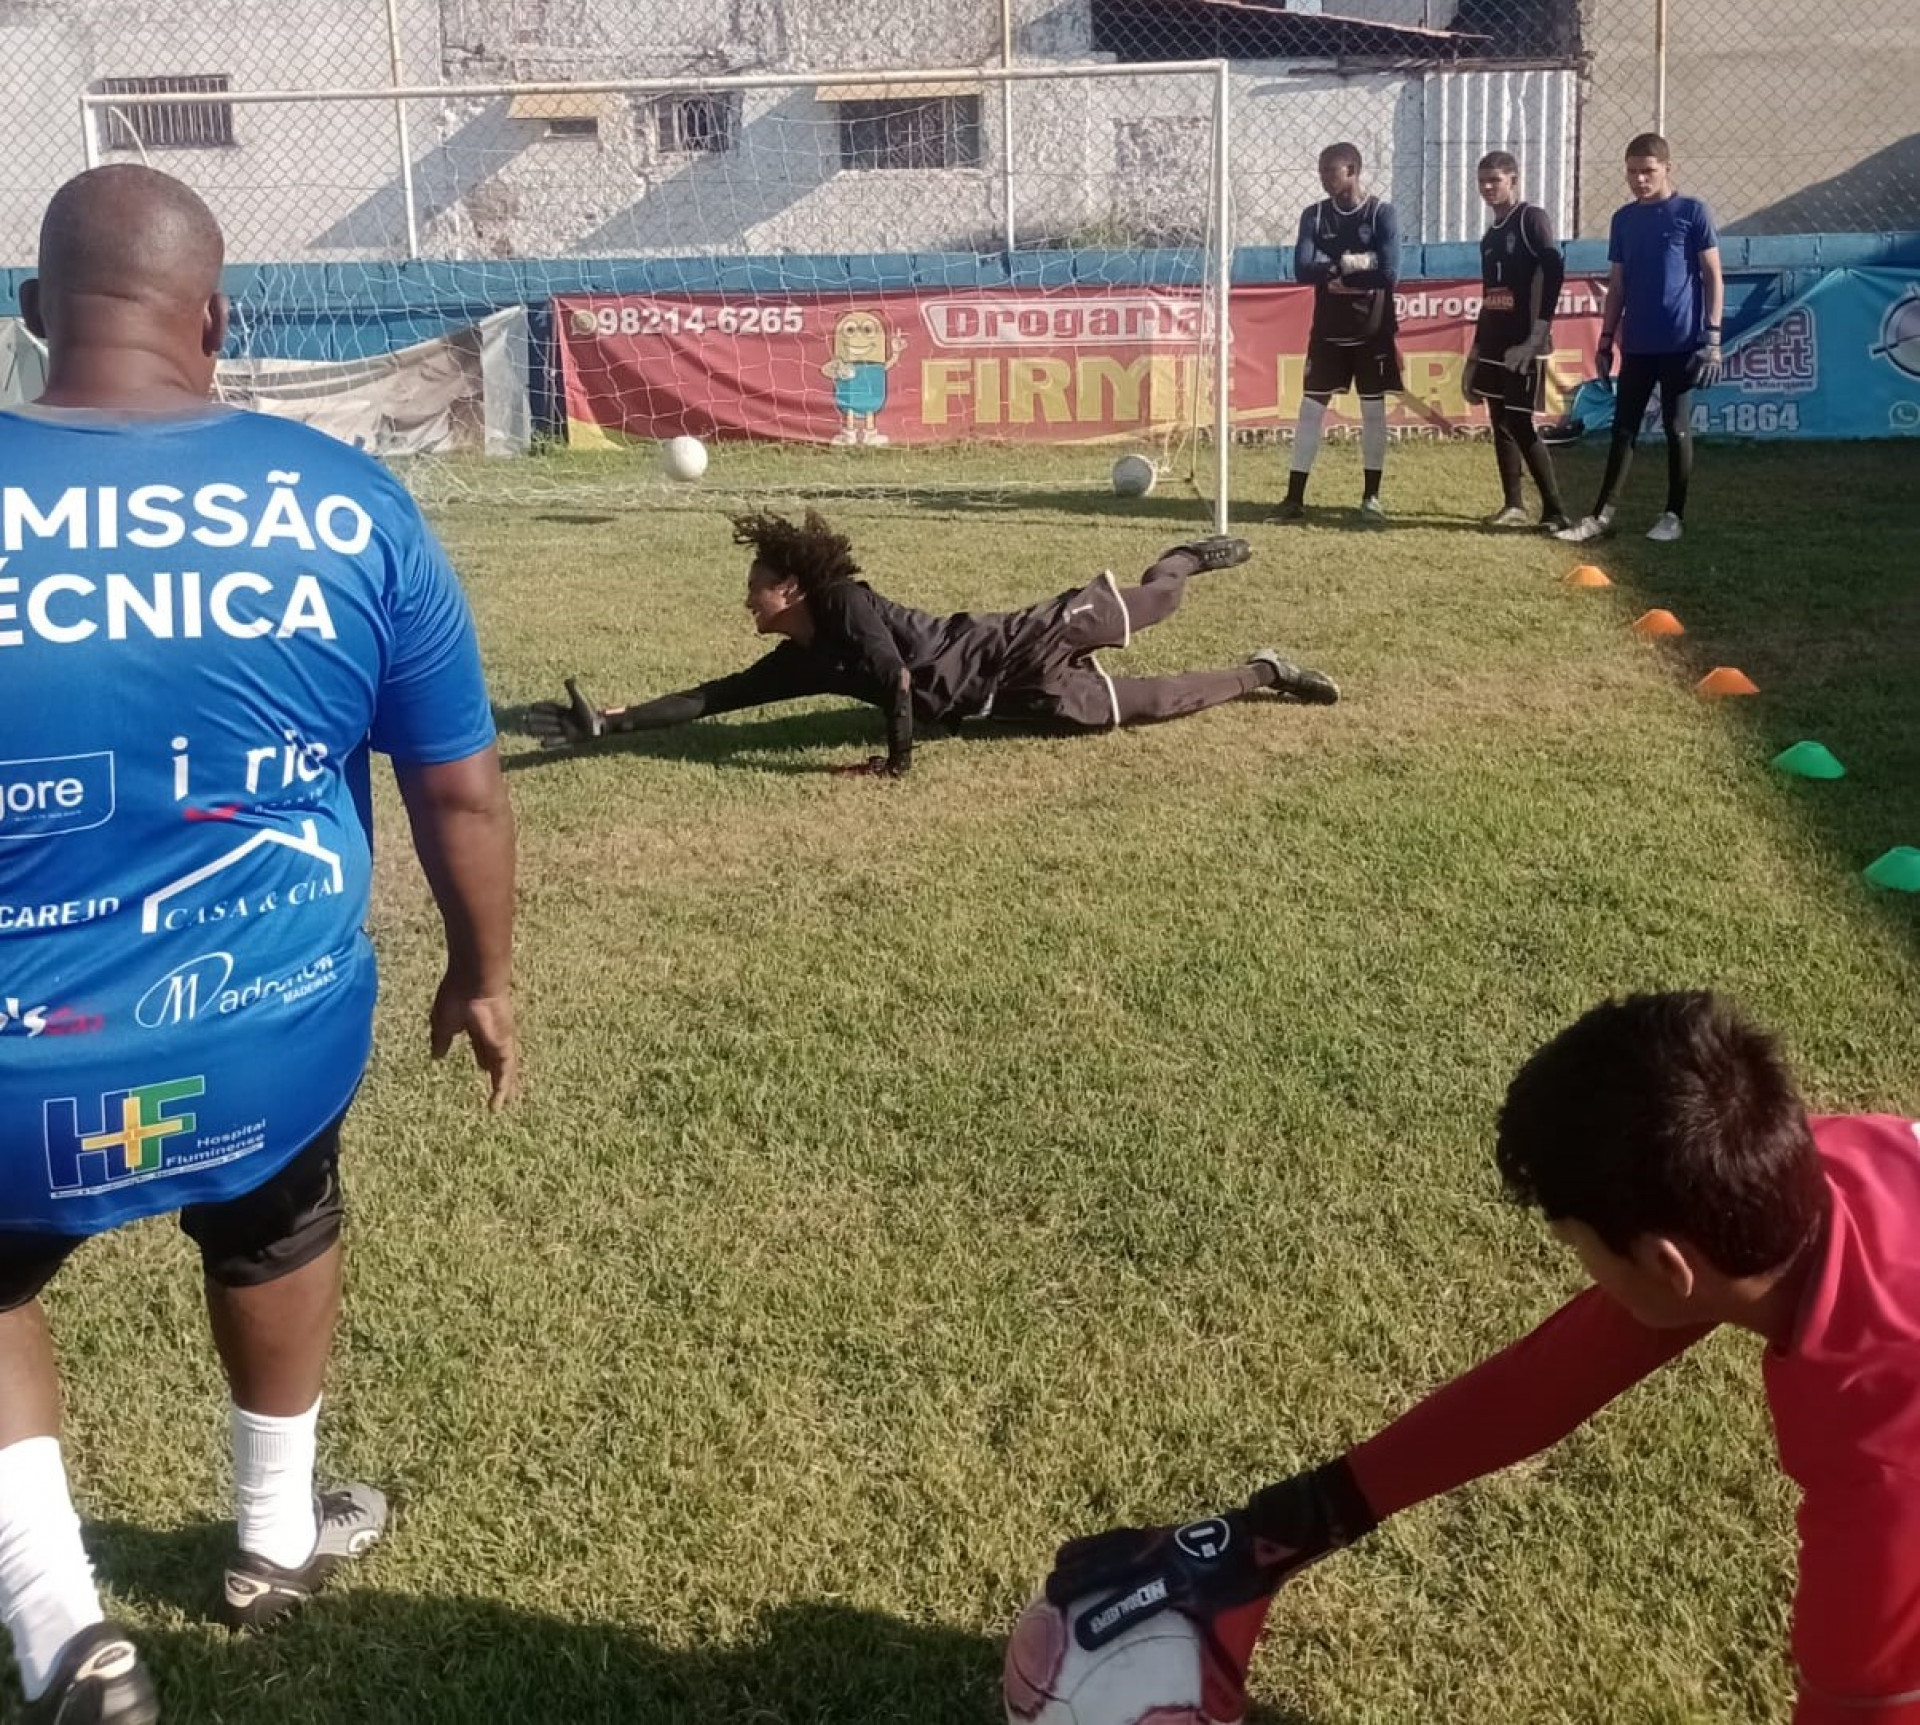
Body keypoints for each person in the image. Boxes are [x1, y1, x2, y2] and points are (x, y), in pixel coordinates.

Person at [0, 166, 518, 1722]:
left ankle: (56, 1623)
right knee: (278, 1223)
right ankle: (275, 1544)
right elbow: (461, 785)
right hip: (264, 1036)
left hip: (14, 1073)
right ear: (217, 321)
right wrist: (485, 973)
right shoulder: (344, 499)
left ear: (33, 319)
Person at [1043, 992, 1920, 1725]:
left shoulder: (1883, 1473)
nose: (1582, 1274)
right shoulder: (1823, 1166)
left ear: (1665, 1263)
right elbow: (1564, 1368)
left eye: (1574, 1244)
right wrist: (1286, 1525)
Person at [527, 510, 1338, 771]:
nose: (746, 601)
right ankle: (1266, 669)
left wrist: (898, 760)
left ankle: (1190, 553)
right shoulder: (800, 656)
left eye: (755, 589)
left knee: (1160, 601)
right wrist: (616, 721)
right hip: (1012, 696)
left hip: (1016, 640)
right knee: (1157, 703)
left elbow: (897, 681)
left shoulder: (843, 602)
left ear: (792, 589)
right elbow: (717, 698)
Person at [1557, 134, 1724, 545]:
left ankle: (1673, 515)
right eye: (1632, 172)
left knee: (1675, 427)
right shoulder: (1624, 220)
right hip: (1638, 344)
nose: (1639, 179)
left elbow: (1712, 275)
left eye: (1647, 171)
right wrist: (1606, 338)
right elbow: (1618, 284)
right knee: (1623, 429)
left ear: (1668, 168)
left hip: (1682, 342)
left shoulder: (1692, 212)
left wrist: (1713, 338)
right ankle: (1600, 515)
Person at [1271, 143, 1402, 525]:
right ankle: (1294, 497)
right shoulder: (1314, 216)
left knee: (1373, 413)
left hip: (1372, 330)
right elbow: (1301, 268)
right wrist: (1358, 264)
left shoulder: (1382, 214)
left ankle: (1371, 497)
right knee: (1310, 410)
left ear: (1353, 170)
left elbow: (1390, 273)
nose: (1325, 178)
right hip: (1328, 332)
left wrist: (1339, 270)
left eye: (1332, 170)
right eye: (1321, 171)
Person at [1464, 151, 1570, 531]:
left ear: (1514, 179)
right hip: (1494, 341)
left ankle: (1556, 511)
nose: (1488, 188)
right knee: (1500, 421)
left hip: (1523, 343)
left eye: (1495, 180)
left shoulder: (1531, 219)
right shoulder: (1490, 236)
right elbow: (1490, 295)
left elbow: (1554, 269)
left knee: (1522, 423)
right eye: (1482, 181)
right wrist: (1476, 351)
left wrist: (1537, 335)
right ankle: (1514, 505)